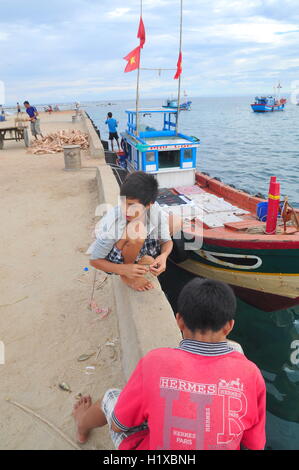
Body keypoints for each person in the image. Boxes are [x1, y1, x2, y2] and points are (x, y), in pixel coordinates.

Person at [72, 278, 266, 450]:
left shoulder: (155, 360)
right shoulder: (251, 374)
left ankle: (81, 424)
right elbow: (254, 444)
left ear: (179, 321)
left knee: (110, 396)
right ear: (229, 326)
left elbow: (119, 425)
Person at [90, 171, 173, 292]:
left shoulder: (155, 211)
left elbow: (167, 241)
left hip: (141, 243)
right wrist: (124, 270)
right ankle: (127, 276)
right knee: (137, 232)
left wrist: (164, 256)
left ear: (149, 205)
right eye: (123, 202)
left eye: (131, 205)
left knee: (176, 220)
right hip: (115, 258)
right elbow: (95, 261)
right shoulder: (113, 222)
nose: (125, 210)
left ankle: (140, 257)